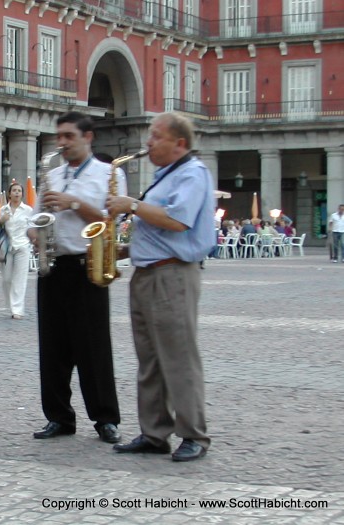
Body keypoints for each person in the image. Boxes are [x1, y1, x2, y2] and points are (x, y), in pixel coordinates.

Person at [106, 112, 214, 462]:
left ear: (179, 143)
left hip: (173, 275)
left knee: (179, 357)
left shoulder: (192, 174)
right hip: (149, 273)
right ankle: (154, 432)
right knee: (149, 359)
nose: (148, 144)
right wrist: (124, 249)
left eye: (156, 137)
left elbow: (177, 220)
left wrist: (132, 205)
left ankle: (193, 434)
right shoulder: (164, 176)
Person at [27, 111, 122, 444]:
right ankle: (58, 417)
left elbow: (110, 220)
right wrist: (33, 231)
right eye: (60, 137)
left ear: (88, 137)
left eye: (69, 136)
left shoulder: (110, 174)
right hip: (53, 264)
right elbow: (38, 217)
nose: (62, 143)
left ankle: (105, 418)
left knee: (93, 346)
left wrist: (74, 203)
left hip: (89, 265)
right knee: (52, 347)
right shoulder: (51, 175)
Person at [0, 182, 33, 319]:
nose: (17, 193)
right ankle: (11, 304)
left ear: (22, 194)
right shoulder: (3, 209)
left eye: (19, 191)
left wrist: (33, 242)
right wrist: (2, 220)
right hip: (7, 247)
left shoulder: (28, 210)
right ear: (9, 193)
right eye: (14, 190)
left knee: (19, 279)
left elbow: (32, 227)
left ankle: (17, 309)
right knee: (7, 279)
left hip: (22, 246)